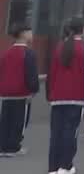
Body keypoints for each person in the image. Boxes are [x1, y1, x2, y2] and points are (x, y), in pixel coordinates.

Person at [47, 18, 84, 174]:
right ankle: (65, 165)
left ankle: (53, 167)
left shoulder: (59, 47)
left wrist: (50, 93)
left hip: (57, 96)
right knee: (70, 132)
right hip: (76, 97)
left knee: (56, 133)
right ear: (83, 29)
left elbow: (52, 72)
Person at [0, 23, 39, 158]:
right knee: (19, 121)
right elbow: (31, 74)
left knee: (5, 120)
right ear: (23, 34)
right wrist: (33, 90)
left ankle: (3, 146)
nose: (32, 35)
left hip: (6, 93)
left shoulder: (6, 53)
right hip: (21, 93)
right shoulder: (28, 53)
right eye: (30, 32)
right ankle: (13, 147)